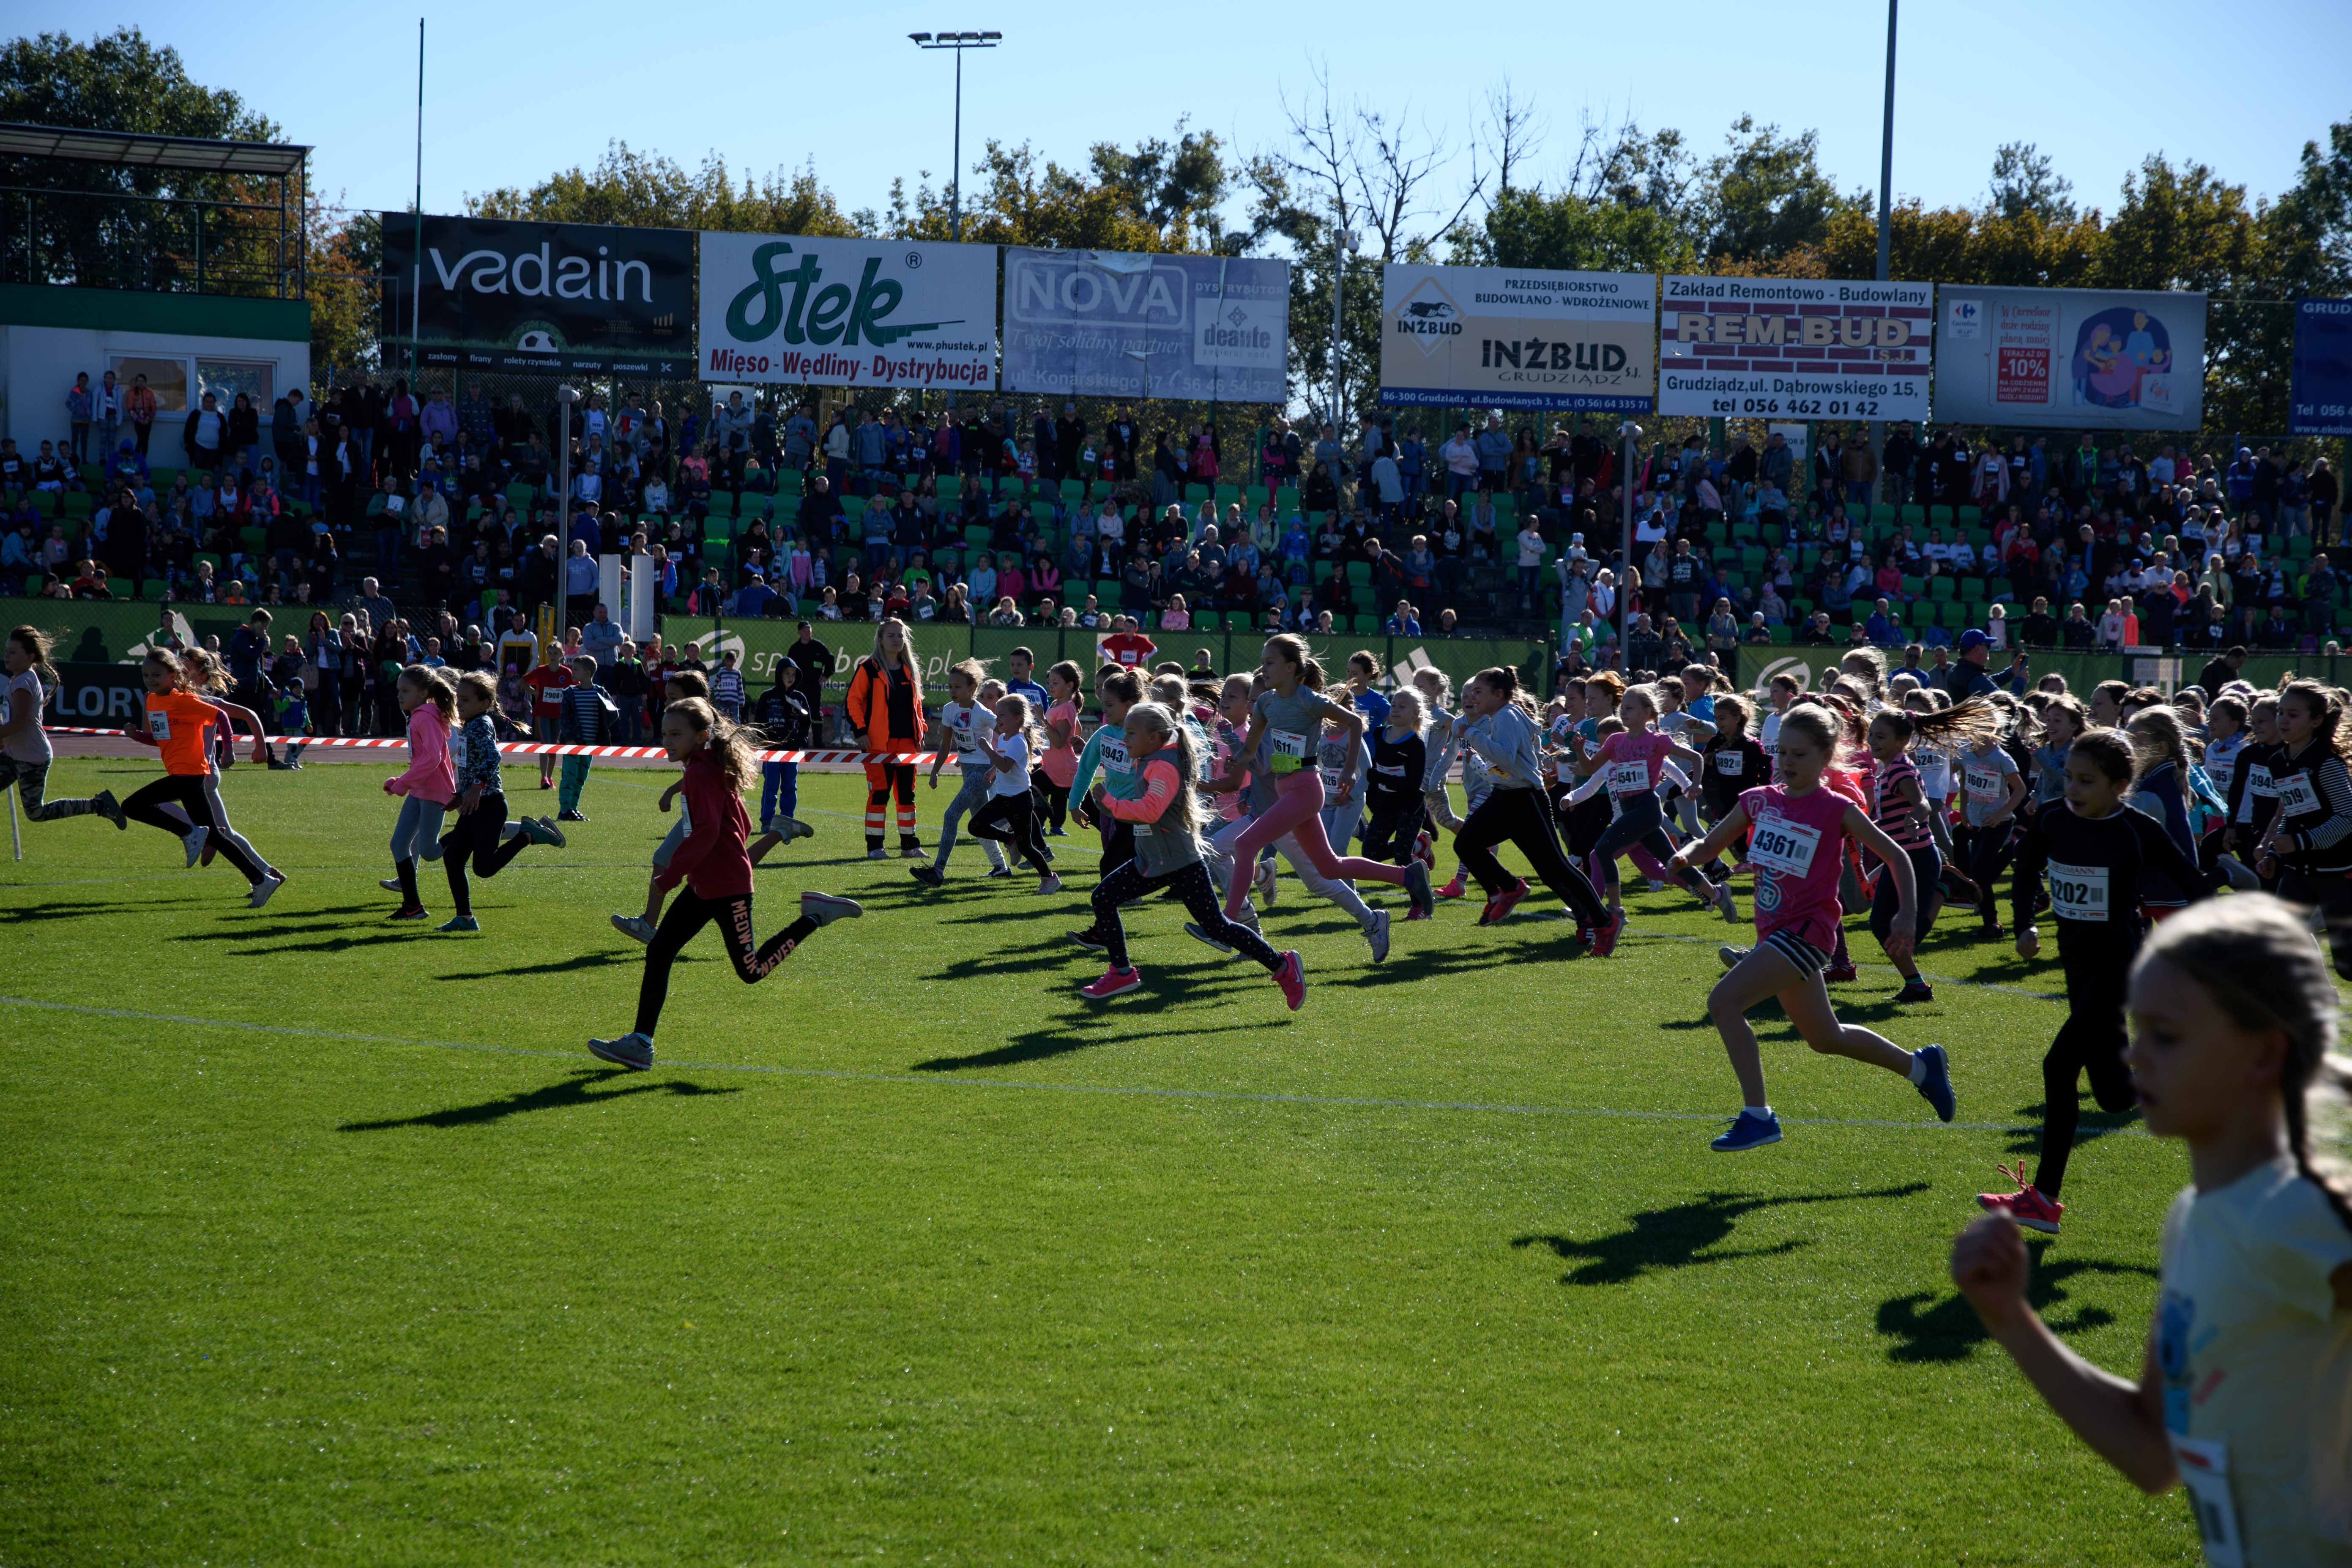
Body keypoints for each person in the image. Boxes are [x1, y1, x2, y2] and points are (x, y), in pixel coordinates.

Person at [1950, 895, 2352, 1565]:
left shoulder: (2293, 1217)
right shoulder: (2193, 1219)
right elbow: (2151, 1452)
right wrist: (2009, 1317)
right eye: (2137, 1030)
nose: (2136, 1057)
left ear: (2262, 1056)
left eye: (2168, 1036)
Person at [1670, 701, 1955, 1150]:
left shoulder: (1836, 808)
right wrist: (1686, 855)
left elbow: (1898, 856)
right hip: (1774, 933)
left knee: (1723, 1003)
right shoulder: (1757, 800)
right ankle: (1921, 1068)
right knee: (1825, 1037)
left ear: (1826, 757)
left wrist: (1904, 913)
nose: (1786, 762)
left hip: (1808, 932)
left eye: (1798, 755)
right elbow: (1710, 845)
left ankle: (1757, 1115)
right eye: (1781, 752)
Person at [1983, 726, 2216, 1234]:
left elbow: (2192, 884)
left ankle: (2042, 1200)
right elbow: (2025, 873)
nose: (2071, 788)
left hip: (2118, 961)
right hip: (2076, 961)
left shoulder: (2136, 829)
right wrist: (2023, 924)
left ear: (2118, 785)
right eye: (2068, 776)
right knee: (2112, 1095)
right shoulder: (2049, 819)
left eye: (2085, 780)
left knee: (2058, 1065)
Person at [588, 698, 864, 1072]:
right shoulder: (704, 768)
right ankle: (640, 1043)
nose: (666, 741)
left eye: (675, 734)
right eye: (664, 733)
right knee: (659, 951)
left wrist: (669, 877)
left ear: (702, 736)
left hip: (728, 889)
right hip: (704, 885)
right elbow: (744, 824)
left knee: (751, 970)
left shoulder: (703, 774)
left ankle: (816, 916)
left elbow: (706, 834)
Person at [1069, 701, 1306, 1008]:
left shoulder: (1163, 766)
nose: (1124, 739)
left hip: (1179, 862)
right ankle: (1122, 972)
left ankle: (1283, 966)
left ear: (1154, 739)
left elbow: (1151, 811)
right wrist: (1109, 804)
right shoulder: (1148, 759)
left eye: (1131, 733)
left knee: (1218, 926)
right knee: (1104, 897)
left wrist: (1111, 802)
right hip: (1154, 859)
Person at [1211, 635, 1433, 923]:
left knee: (1244, 844)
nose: (1263, 669)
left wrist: (1349, 769)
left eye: (1269, 662)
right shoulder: (1266, 702)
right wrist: (1237, 757)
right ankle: (1408, 876)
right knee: (1329, 867)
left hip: (1305, 789)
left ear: (1290, 667)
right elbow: (1252, 751)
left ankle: (1227, 921)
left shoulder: (1309, 700)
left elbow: (1354, 723)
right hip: (1284, 787)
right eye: (1262, 662)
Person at [1443, 665, 1617, 948]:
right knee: (1466, 843)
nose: (1473, 697)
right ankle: (1510, 888)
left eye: (1479, 691)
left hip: (1525, 799)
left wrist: (1471, 735)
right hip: (1506, 795)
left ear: (1498, 694)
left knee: (1555, 868)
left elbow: (1507, 757)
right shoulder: (1502, 714)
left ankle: (1603, 921)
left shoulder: (1507, 715)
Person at [119, 649, 283, 907]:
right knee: (216, 836)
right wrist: (136, 736)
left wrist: (229, 750)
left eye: (157, 674)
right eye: (146, 675)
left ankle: (188, 832)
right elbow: (159, 739)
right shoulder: (152, 700)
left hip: (192, 773)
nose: (150, 679)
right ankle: (262, 880)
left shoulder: (183, 700)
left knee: (131, 806)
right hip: (182, 774)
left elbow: (221, 715)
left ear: (173, 675)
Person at [1866, 700, 2000, 1004]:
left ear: (1901, 741)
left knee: (1908, 932)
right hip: (1898, 856)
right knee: (1880, 924)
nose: (1873, 741)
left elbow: (1924, 803)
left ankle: (1945, 886)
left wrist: (1917, 814)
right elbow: (1889, 817)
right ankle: (1916, 986)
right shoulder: (1886, 770)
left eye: (1881, 737)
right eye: (1872, 735)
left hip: (1918, 857)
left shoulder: (1899, 768)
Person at [1576, 682, 1734, 924]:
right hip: (1630, 808)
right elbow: (1589, 768)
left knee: (1602, 850)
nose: (1624, 712)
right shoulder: (1615, 741)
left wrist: (1694, 784)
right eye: (1623, 708)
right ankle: (1717, 893)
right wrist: (1579, 750)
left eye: (1630, 708)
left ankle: (1615, 911)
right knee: (1673, 863)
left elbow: (1696, 757)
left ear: (1647, 713)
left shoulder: (1657, 741)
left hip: (1647, 808)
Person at [433, 671, 564, 933]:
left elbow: (493, 759)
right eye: (459, 700)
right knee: (453, 858)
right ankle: (465, 918)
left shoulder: (481, 724)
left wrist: (477, 789)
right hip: (474, 805)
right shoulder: (470, 724)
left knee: (483, 868)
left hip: (490, 806)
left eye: (466, 701)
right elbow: (471, 765)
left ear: (484, 704)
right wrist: (461, 795)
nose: (459, 706)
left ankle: (527, 835)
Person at [2251, 679, 2352, 977]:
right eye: (2281, 712)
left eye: (2293, 715)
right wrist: (2273, 852)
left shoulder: (2327, 764)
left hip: (2337, 872)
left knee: (2347, 966)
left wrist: (2300, 841)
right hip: (2298, 871)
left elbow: (2347, 818)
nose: (2283, 720)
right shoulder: (2279, 761)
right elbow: (2294, 814)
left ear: (2317, 721)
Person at [0, 626, 124, 830]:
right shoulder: (18, 679)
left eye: (13, 652)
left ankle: (100, 805)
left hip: (31, 757)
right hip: (14, 754)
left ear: (30, 657)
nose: (7, 655)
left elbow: (19, 724)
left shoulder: (23, 683)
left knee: (36, 813)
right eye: (6, 650)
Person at [910, 661, 1011, 887]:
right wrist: (935, 772)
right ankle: (1003, 863)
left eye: (958, 687)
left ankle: (937, 871)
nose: (952, 691)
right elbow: (946, 745)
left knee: (951, 815)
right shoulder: (949, 710)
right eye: (950, 687)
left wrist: (1000, 762)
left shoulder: (983, 713)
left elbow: (1007, 733)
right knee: (980, 824)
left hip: (982, 773)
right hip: (967, 771)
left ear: (972, 688)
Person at [379, 665, 458, 922]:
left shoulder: (424, 717)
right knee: (399, 844)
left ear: (424, 692)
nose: (400, 696)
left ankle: (469, 831)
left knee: (431, 852)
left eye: (406, 691)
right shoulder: (419, 715)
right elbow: (423, 760)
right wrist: (402, 780)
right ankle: (413, 907)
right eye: (398, 690)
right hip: (420, 789)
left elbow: (433, 759)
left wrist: (402, 784)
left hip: (434, 791)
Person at [963, 692, 1061, 895]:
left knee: (1027, 848)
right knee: (975, 826)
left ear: (1017, 719)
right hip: (1004, 798)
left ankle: (1050, 878)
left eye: (1002, 715)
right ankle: (1009, 840)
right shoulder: (1006, 739)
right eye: (997, 715)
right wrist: (992, 771)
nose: (998, 719)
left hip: (1020, 801)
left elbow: (1007, 766)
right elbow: (1004, 765)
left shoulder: (1017, 741)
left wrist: (988, 751)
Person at [845, 618, 925, 859]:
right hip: (877, 745)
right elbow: (853, 701)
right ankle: (875, 847)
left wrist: (921, 730)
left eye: (900, 636)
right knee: (879, 794)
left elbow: (918, 705)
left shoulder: (910, 668)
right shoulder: (868, 668)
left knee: (907, 797)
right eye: (891, 635)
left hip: (908, 744)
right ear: (880, 640)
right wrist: (860, 731)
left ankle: (910, 846)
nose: (897, 640)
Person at [1359, 687, 1430, 868]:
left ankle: (1419, 893)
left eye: (1402, 707)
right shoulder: (1379, 734)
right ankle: (1419, 845)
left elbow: (1413, 785)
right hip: (1386, 804)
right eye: (1394, 705)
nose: (1396, 709)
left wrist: (1379, 777)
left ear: (1415, 714)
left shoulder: (1416, 745)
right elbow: (1372, 767)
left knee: (1402, 858)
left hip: (1409, 805)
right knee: (1370, 852)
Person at [749, 661, 816, 845]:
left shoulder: (800, 698)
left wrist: (800, 742)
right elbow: (760, 721)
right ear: (779, 674)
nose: (790, 677)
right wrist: (764, 742)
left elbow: (806, 722)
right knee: (771, 786)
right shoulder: (768, 697)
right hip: (772, 751)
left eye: (793, 674)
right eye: (787, 673)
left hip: (792, 752)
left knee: (790, 787)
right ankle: (767, 822)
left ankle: (787, 820)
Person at [554, 653, 618, 824]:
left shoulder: (599, 692)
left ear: (588, 673)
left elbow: (613, 713)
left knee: (581, 777)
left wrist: (601, 730)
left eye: (576, 670)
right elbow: (565, 718)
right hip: (574, 743)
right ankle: (565, 810)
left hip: (591, 744)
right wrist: (570, 738)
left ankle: (573, 808)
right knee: (569, 775)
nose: (572, 673)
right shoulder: (570, 693)